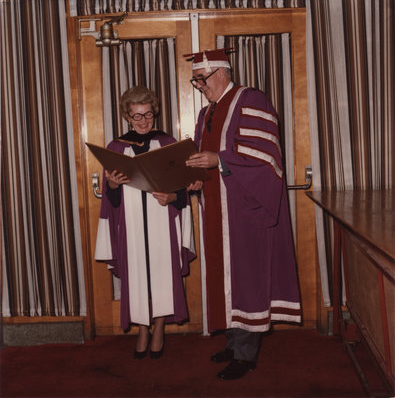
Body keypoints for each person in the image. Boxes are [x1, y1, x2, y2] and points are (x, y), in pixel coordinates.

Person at [185, 49, 301, 380]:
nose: (199, 86)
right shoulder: (207, 112)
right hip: (217, 212)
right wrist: (196, 176)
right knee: (226, 280)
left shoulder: (251, 100)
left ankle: (246, 356)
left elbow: (264, 157)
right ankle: (234, 343)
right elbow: (205, 159)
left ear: (220, 72)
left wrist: (217, 161)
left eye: (201, 79)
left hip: (245, 211)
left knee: (246, 279)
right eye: (196, 80)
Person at [95, 86, 195, 360]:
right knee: (136, 274)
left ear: (155, 113)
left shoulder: (167, 143)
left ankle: (159, 327)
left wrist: (173, 196)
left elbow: (183, 189)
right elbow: (111, 200)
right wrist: (112, 185)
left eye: (148, 114)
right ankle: (142, 328)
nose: (143, 121)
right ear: (127, 116)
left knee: (163, 272)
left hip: (162, 218)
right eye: (136, 116)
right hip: (131, 222)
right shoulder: (116, 147)